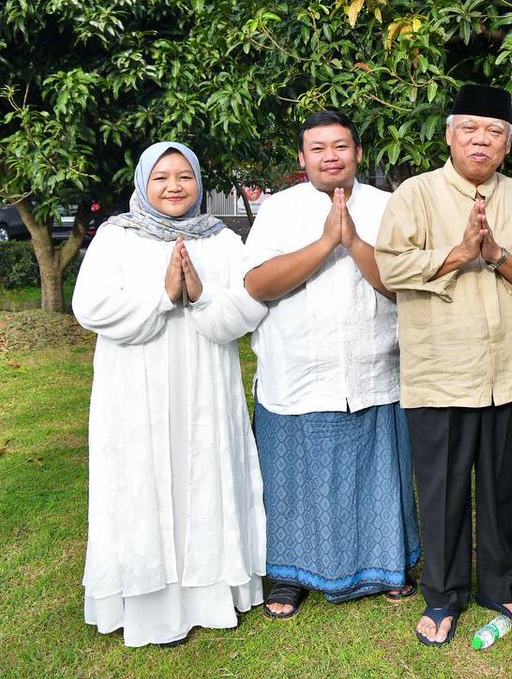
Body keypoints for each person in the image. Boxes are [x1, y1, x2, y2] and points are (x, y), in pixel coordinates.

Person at [375, 85, 512, 647]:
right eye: (470, 129)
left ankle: (498, 584)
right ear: (450, 135)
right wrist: (459, 253)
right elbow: (390, 267)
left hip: (508, 370)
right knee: (443, 490)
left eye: (494, 132)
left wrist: (496, 253)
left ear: (507, 144)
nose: (482, 140)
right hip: (440, 369)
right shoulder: (416, 193)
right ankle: (444, 594)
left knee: (500, 487)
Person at [74, 142, 267, 647]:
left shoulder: (221, 239)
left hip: (207, 382)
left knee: (205, 470)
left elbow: (250, 307)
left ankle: (210, 596)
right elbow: (90, 307)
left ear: (199, 182)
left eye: (184, 176)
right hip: (136, 386)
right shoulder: (117, 236)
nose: (174, 187)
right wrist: (162, 295)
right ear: (143, 183)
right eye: (161, 177)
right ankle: (151, 607)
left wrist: (200, 295)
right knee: (143, 478)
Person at [243, 110, 419, 619]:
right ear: (302, 158)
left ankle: (388, 565)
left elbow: (402, 287)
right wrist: (325, 244)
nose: (330, 157)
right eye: (317, 149)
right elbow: (257, 284)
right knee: (293, 482)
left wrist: (355, 243)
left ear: (358, 153)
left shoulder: (387, 206)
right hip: (297, 371)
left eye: (340, 146)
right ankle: (289, 574)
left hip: (374, 368)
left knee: (376, 477)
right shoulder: (278, 209)